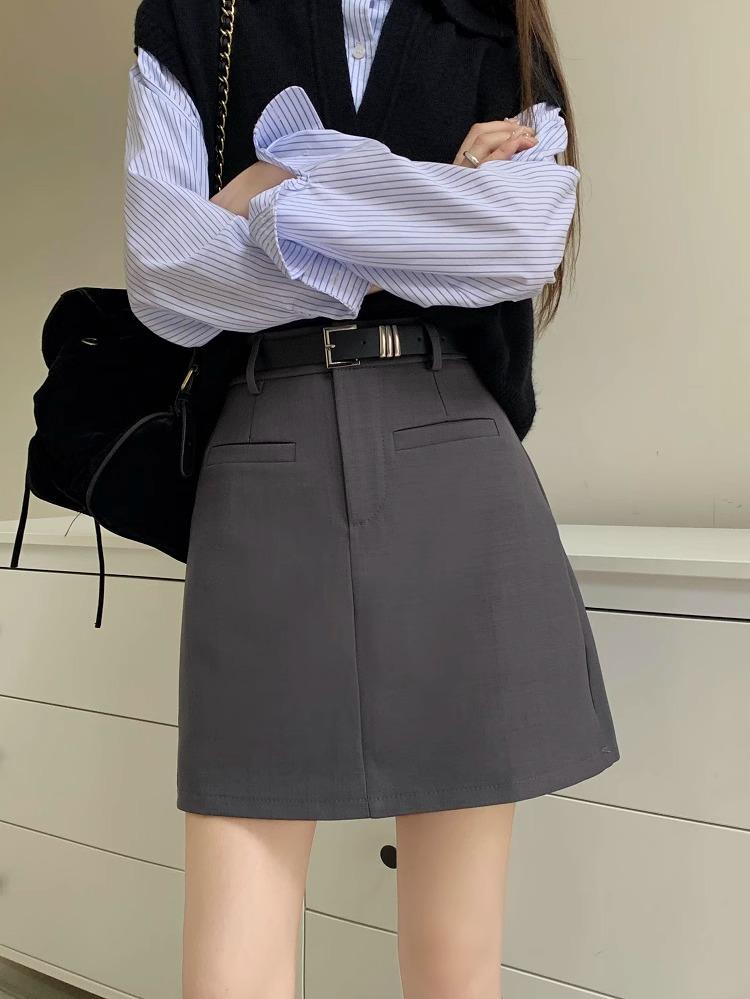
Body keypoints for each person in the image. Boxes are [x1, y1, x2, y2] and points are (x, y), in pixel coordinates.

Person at [125, 1, 620, 996]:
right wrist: (437, 202)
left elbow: (522, 240)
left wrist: (272, 191)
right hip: (264, 450)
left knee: (456, 965)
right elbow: (167, 272)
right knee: (230, 962)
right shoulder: (195, 14)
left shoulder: (494, 23)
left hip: (458, 453)